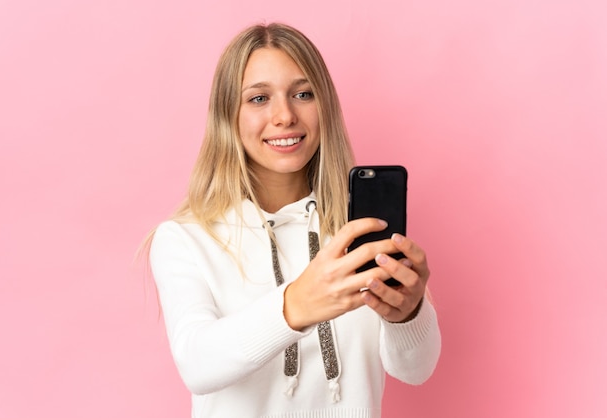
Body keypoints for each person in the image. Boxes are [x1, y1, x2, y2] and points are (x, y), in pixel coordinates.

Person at [147, 22, 441, 418]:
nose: (284, 115)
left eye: (303, 94)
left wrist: (409, 313)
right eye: (258, 99)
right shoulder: (186, 238)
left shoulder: (358, 232)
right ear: (226, 115)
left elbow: (416, 370)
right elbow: (198, 364)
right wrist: (297, 304)